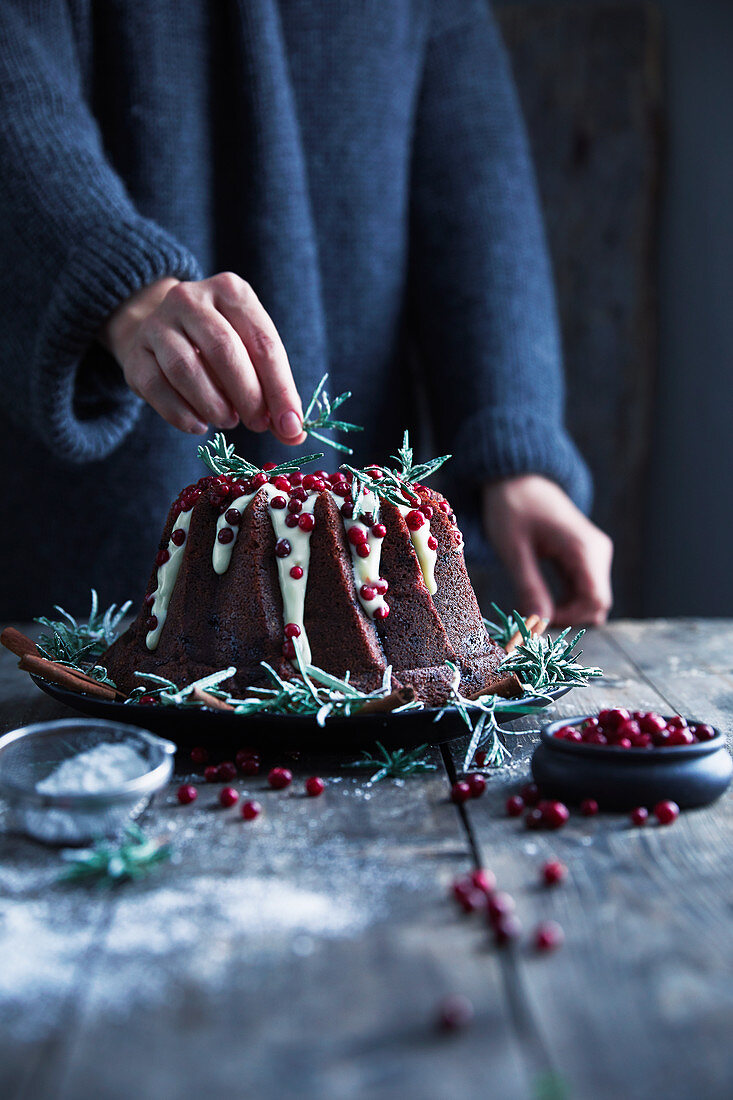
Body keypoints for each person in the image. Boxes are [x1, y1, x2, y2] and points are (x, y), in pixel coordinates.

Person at [0, 0, 612, 624]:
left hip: (354, 549)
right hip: (82, 531)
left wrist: (514, 445)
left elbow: (476, 180)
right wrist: (115, 283)